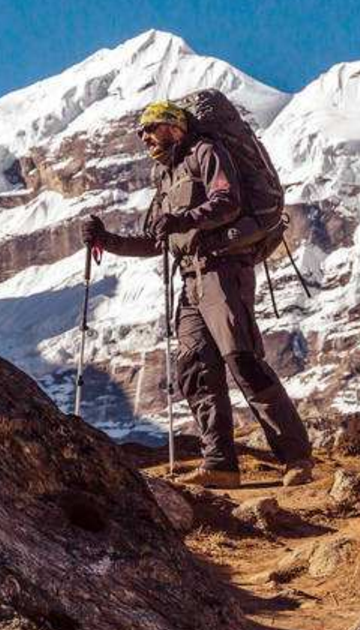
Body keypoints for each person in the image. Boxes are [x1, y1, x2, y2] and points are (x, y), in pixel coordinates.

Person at [81, 101, 314, 489]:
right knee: (195, 368)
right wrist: (107, 240)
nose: (145, 137)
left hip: (223, 270)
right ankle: (220, 463)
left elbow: (228, 201)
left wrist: (186, 219)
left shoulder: (206, 152)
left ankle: (296, 458)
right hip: (191, 279)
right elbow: (156, 239)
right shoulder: (166, 175)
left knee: (242, 360)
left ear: (175, 126)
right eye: (141, 132)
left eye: (151, 128)